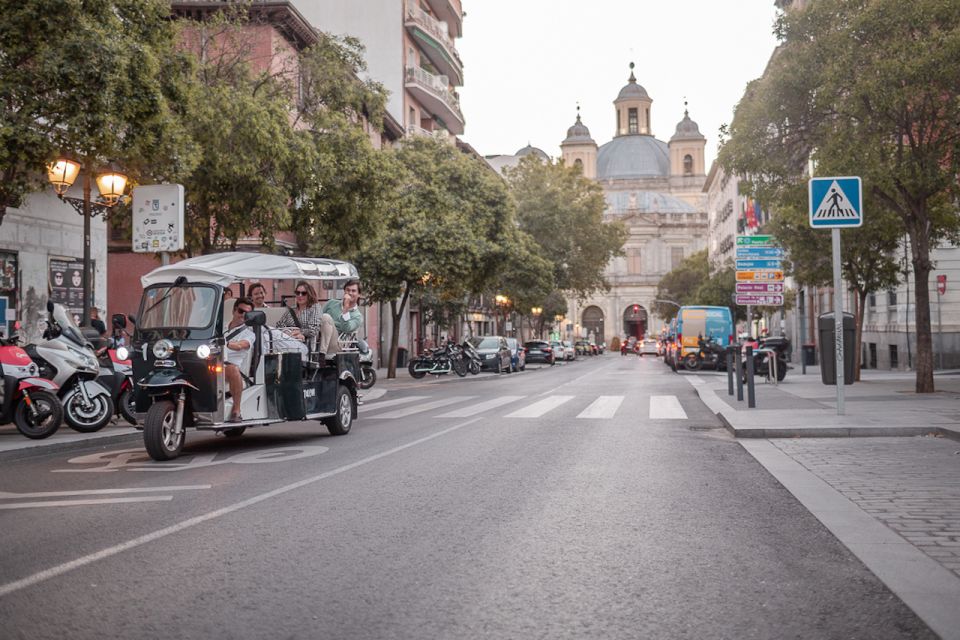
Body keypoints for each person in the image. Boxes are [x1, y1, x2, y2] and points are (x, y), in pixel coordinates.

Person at [276, 281, 337, 358]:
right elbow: (279, 325)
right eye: (297, 293)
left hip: (307, 344)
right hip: (289, 342)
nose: (300, 295)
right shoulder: (292, 310)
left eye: (303, 293)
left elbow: (313, 329)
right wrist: (288, 332)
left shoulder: (314, 307)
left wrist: (300, 332)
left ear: (309, 294)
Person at [224, 297, 255, 422]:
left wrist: (225, 344)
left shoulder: (249, 333)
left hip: (233, 368)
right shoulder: (220, 327)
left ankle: (236, 410)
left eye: (247, 313)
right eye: (241, 311)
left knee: (231, 368)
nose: (243, 315)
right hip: (212, 362)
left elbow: (241, 345)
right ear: (234, 310)